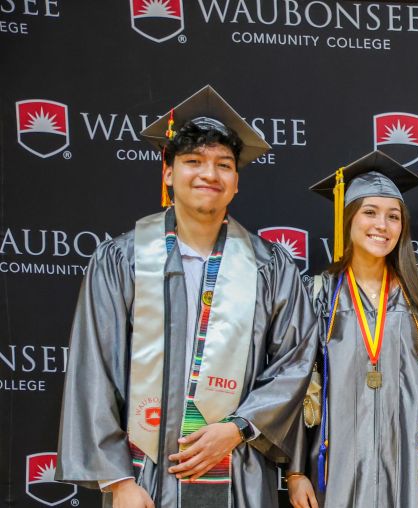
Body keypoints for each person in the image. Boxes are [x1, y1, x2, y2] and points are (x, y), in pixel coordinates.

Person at [55, 85, 319, 508]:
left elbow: (296, 359)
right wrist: (117, 481)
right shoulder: (122, 259)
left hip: (237, 470)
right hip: (143, 474)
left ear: (236, 181)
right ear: (168, 173)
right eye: (193, 161)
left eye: (223, 165)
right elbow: (94, 370)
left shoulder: (270, 267)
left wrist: (239, 427)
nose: (208, 174)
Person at [285, 150, 418, 507]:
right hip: (335, 465)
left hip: (413, 464)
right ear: (348, 218)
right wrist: (295, 472)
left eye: (393, 217)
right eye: (369, 212)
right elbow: (297, 388)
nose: (381, 226)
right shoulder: (320, 293)